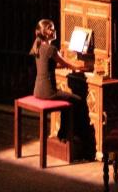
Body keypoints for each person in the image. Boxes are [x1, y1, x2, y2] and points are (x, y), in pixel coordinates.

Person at [28, 19, 89, 153]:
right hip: (49, 92)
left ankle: (64, 134)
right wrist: (85, 67)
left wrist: (62, 61)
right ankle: (70, 136)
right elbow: (69, 64)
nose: (54, 30)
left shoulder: (38, 46)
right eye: (50, 28)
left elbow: (52, 63)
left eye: (54, 27)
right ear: (44, 32)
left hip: (38, 90)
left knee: (68, 100)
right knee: (77, 100)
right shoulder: (51, 49)